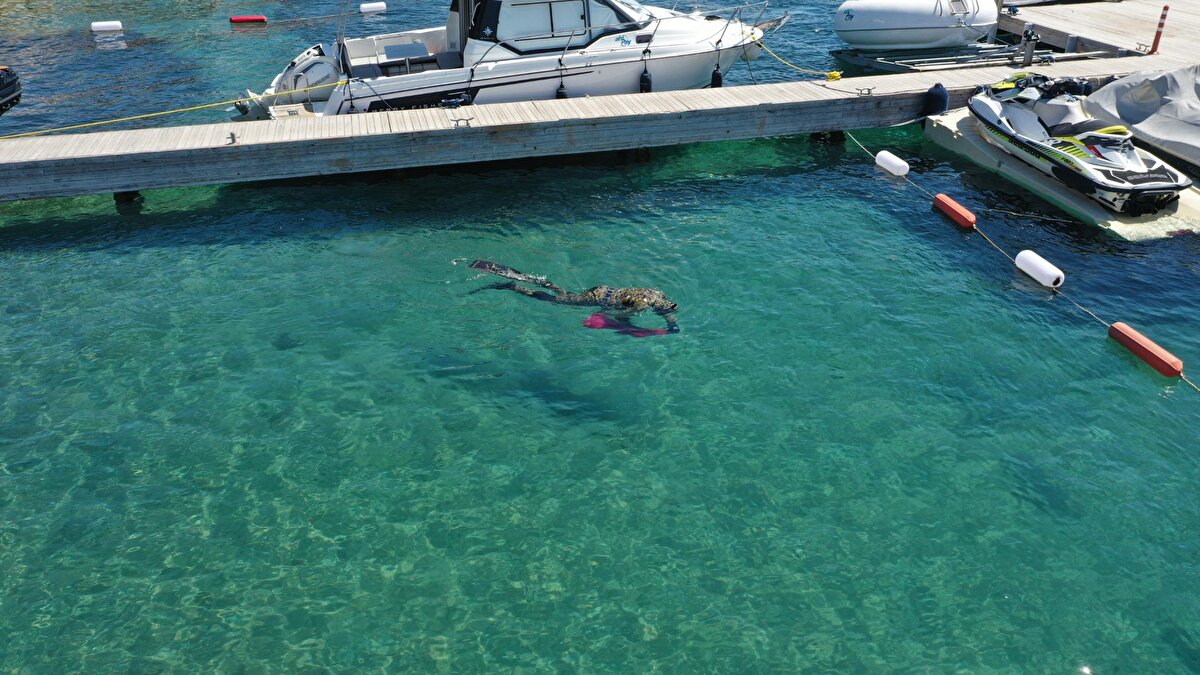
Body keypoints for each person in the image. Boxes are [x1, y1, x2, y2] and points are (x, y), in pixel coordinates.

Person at [469, 259, 679, 334]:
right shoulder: (642, 306)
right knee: (556, 301)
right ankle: (514, 287)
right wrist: (633, 328)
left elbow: (667, 312)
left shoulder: (657, 294)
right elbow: (619, 317)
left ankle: (549, 283)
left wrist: (672, 325)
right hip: (597, 298)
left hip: (604, 289)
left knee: (565, 295)